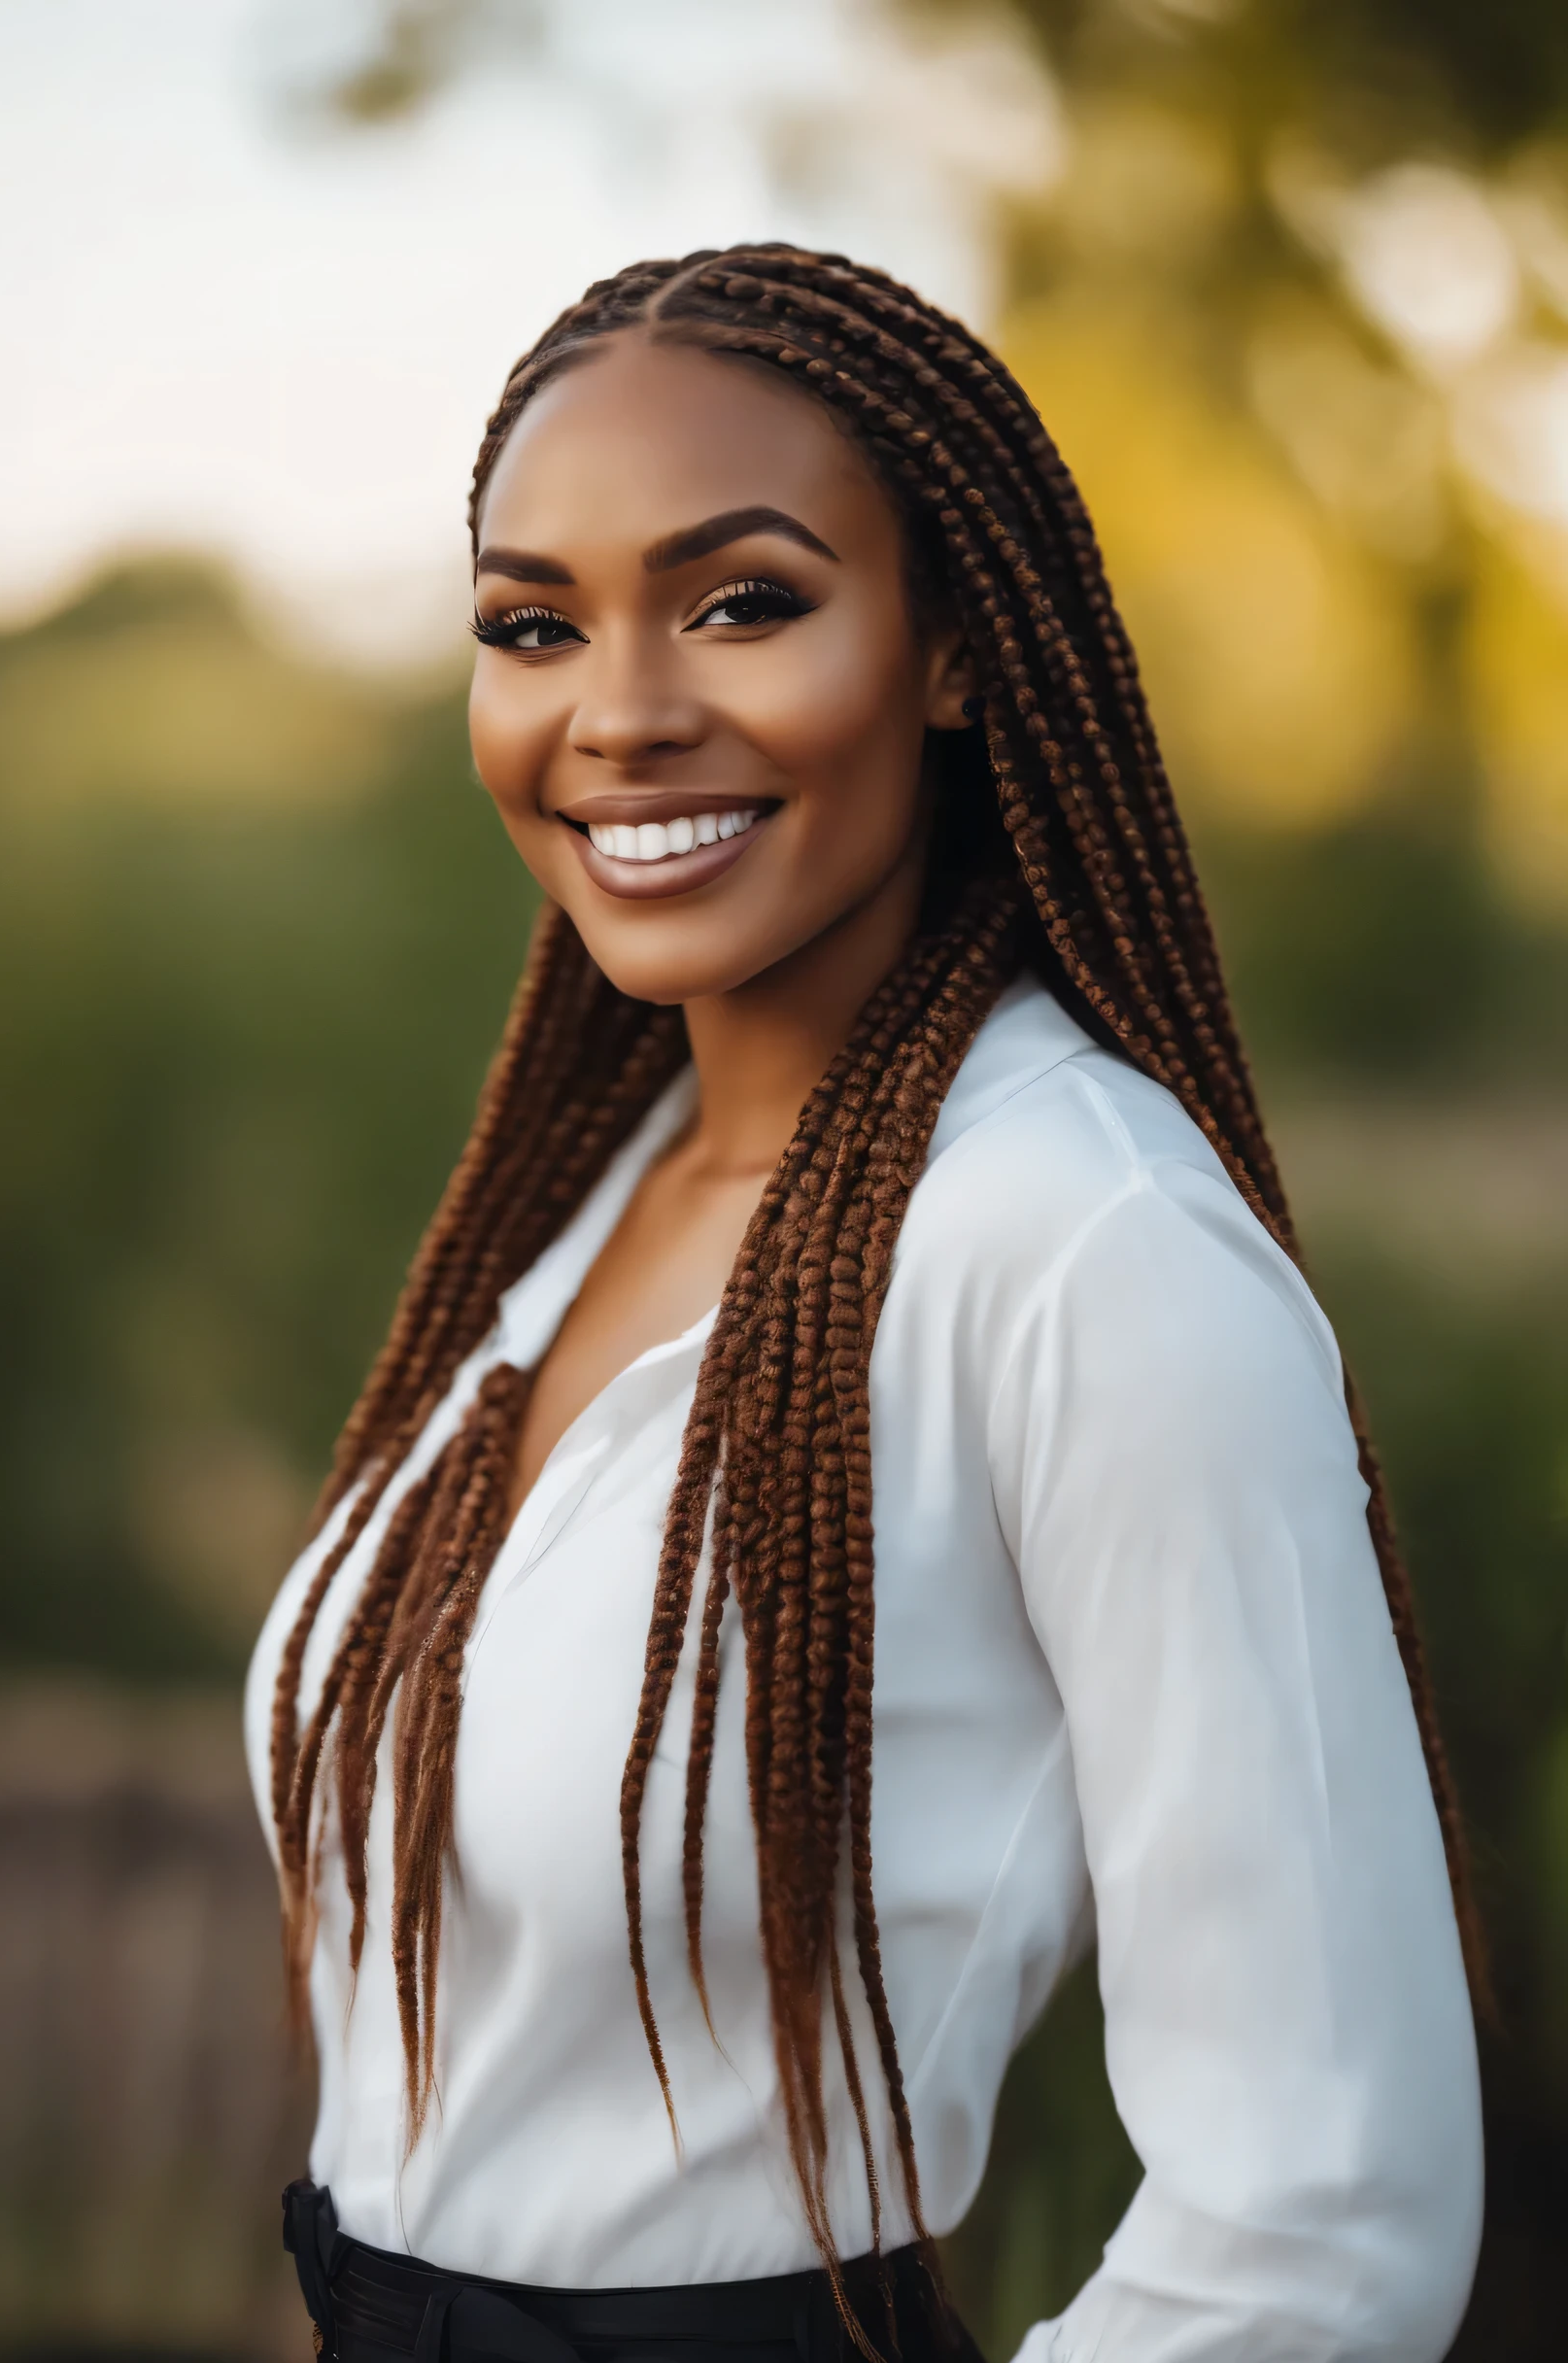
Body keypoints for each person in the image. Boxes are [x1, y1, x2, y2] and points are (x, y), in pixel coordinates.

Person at [246, 247, 1483, 2363]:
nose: (618, 709)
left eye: (742, 600)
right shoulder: (586, 1199)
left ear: (952, 650)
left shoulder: (1084, 1249)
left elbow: (1322, 2232)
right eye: (533, 625)